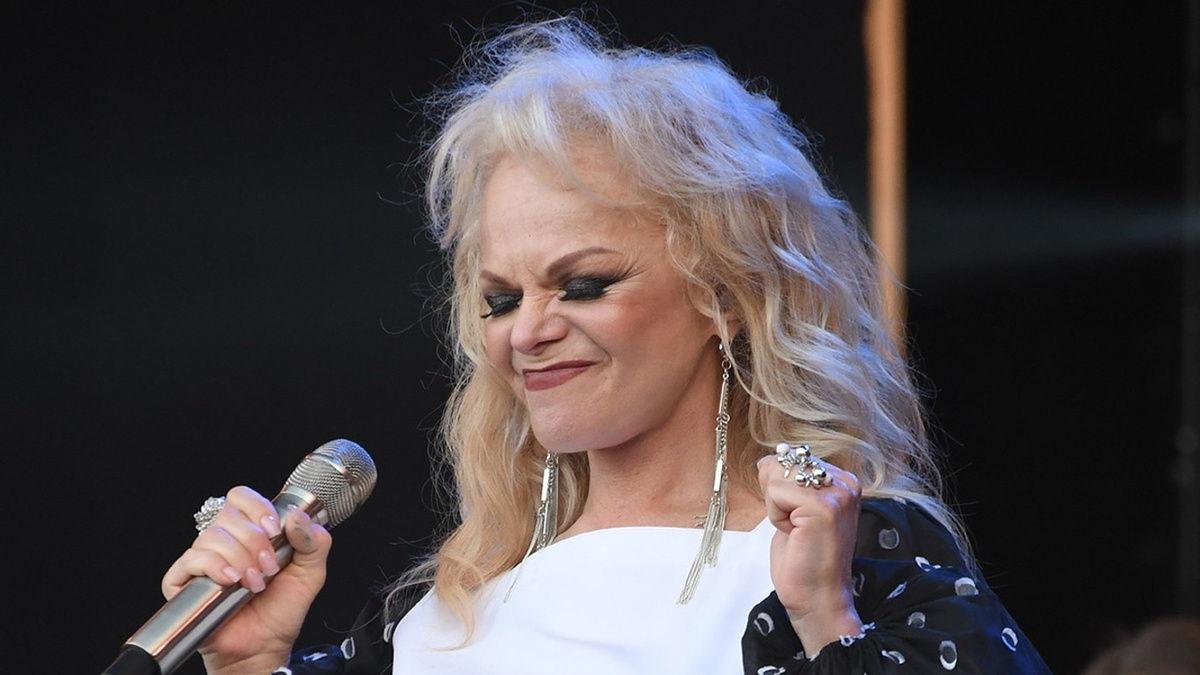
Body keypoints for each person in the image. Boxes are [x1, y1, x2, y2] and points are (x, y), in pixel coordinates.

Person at [162, 16, 1053, 675]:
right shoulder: (436, 619)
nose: (530, 331)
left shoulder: (852, 557)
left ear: (726, 294)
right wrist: (252, 664)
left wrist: (826, 622)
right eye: (501, 299)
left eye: (583, 283)